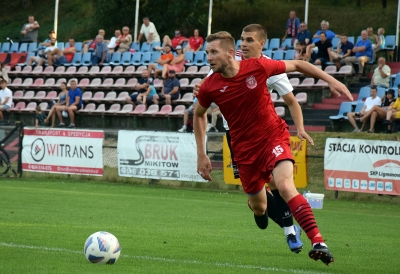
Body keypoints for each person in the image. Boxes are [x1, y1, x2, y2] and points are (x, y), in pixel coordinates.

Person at [194, 30, 352, 265]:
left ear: (229, 53)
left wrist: (330, 79)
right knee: (259, 207)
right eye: (207, 53)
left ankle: (318, 242)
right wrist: (201, 154)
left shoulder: (258, 67)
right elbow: (198, 115)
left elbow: (298, 64)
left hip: (272, 137)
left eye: (213, 52)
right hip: (244, 151)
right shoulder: (209, 86)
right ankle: (260, 208)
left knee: (286, 185)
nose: (208, 57)